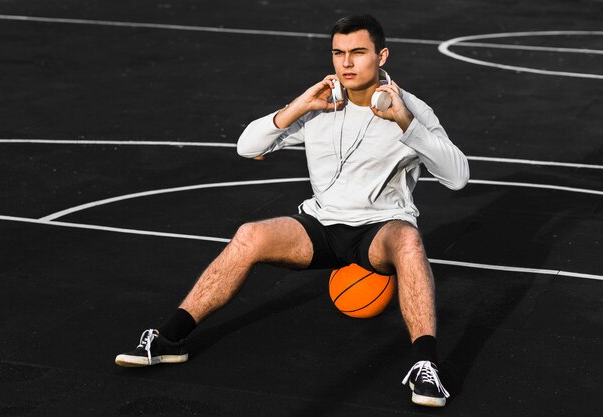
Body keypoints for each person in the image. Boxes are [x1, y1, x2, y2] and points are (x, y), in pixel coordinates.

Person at [115, 14, 469, 408]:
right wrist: (299, 106)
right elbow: (247, 147)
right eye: (339, 53)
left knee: (408, 239)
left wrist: (404, 121)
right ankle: (169, 339)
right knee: (250, 234)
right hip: (321, 226)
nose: (346, 63)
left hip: (378, 230)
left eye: (358, 53)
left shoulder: (412, 109)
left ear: (381, 56)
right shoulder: (320, 104)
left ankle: (426, 367)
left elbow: (458, 177)